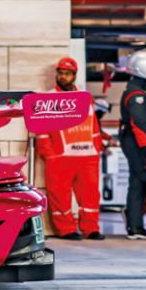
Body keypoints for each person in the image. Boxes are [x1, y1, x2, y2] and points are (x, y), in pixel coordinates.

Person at [36, 57, 104, 240]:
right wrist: (49, 154)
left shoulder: (85, 97)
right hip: (60, 157)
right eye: (60, 73)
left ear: (74, 75)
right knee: (59, 196)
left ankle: (91, 228)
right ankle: (66, 229)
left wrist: (97, 149)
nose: (62, 77)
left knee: (90, 196)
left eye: (67, 74)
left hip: (87, 156)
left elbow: (93, 125)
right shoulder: (49, 98)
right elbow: (41, 129)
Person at [119, 51, 146, 240]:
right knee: (142, 178)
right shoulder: (136, 93)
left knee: (138, 181)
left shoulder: (139, 89)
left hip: (135, 140)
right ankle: (133, 222)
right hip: (135, 141)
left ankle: (135, 225)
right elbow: (138, 125)